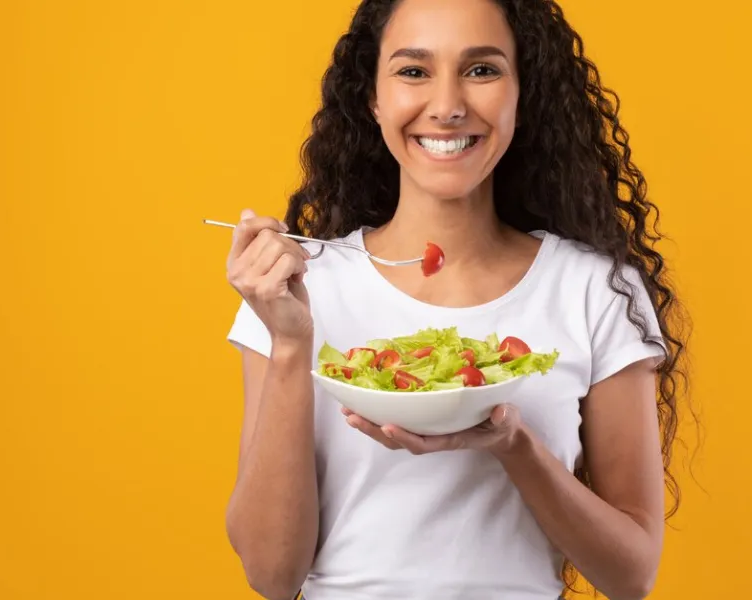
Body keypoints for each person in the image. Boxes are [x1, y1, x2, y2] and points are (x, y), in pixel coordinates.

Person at [221, 0, 690, 598]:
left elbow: (632, 576)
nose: (446, 107)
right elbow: (270, 575)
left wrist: (514, 445)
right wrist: (291, 344)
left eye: (482, 70)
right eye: (413, 71)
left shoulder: (594, 291)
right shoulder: (296, 286)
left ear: (523, 95)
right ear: (374, 98)